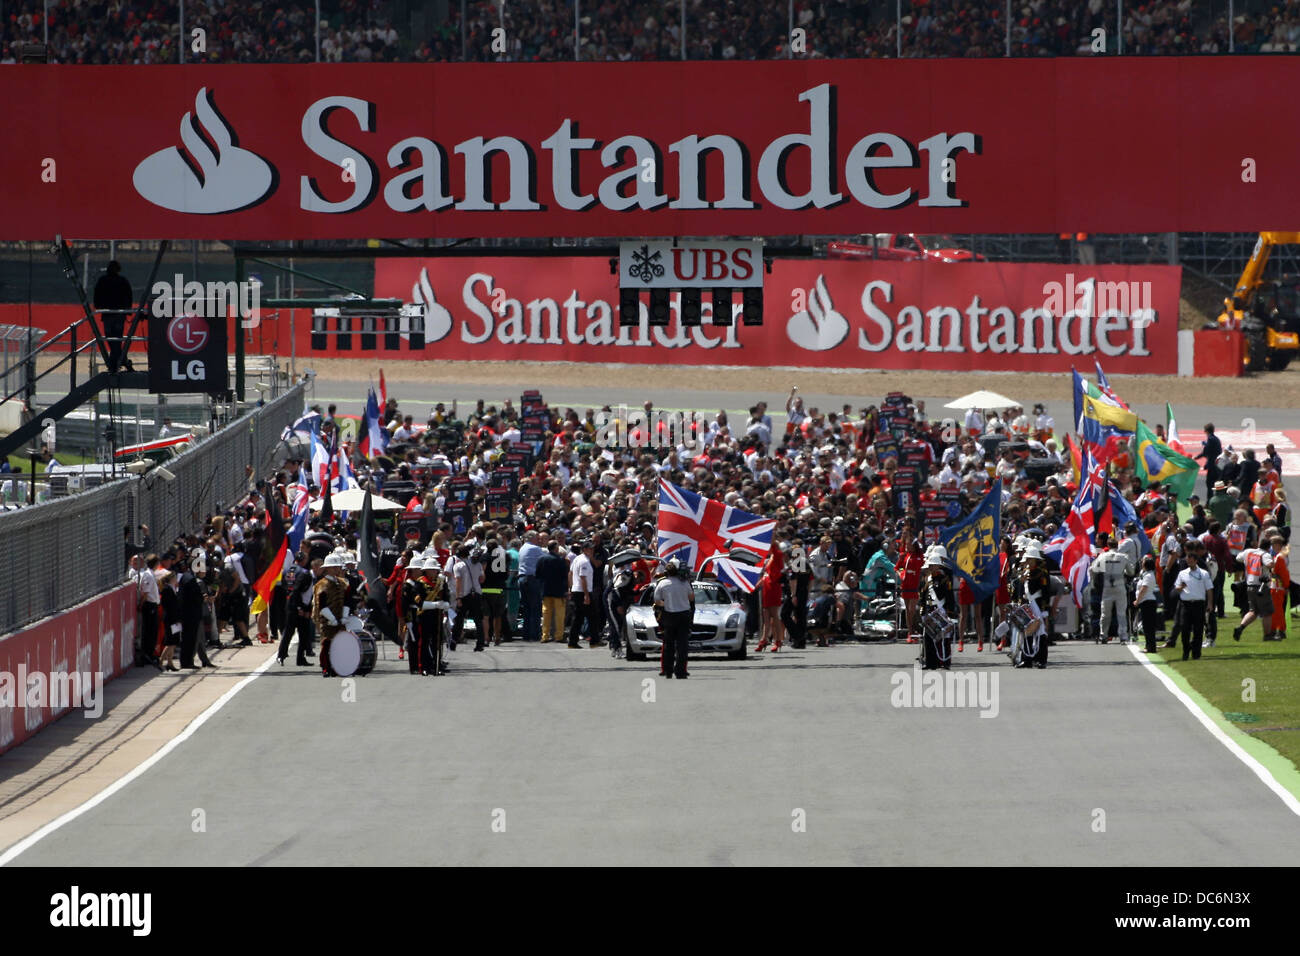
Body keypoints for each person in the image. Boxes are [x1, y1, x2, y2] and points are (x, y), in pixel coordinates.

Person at [653, 558, 694, 679]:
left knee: (668, 645)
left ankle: (668, 670)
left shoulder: (662, 583)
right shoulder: (685, 583)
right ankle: (680, 671)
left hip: (669, 616)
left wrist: (665, 604)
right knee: (682, 645)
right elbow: (691, 598)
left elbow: (657, 600)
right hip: (683, 616)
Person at [1089, 532, 1133, 643]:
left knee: (1105, 613)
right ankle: (1123, 636)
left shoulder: (1103, 556)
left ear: (1108, 546)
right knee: (1121, 613)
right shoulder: (1123, 557)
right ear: (1117, 546)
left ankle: (1103, 635)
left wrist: (1094, 582)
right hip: (1120, 587)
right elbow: (1131, 571)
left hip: (1107, 587)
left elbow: (1092, 569)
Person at [313, 551, 349, 677]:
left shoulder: (342, 583)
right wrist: (331, 618)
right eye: (334, 567)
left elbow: (347, 600)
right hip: (327, 619)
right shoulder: (322, 585)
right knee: (327, 643)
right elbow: (321, 604)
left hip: (341, 618)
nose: (337, 569)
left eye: (338, 567)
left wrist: (344, 616)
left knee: (339, 645)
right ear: (327, 568)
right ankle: (326, 667)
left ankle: (337, 666)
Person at [93, 260, 133, 372]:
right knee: (117, 339)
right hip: (119, 314)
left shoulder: (103, 280)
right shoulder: (122, 281)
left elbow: (97, 295)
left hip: (107, 314)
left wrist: (98, 307)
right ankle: (121, 360)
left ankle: (114, 361)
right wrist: (127, 310)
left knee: (111, 339)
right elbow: (128, 296)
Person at [919, 546, 955, 670]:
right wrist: (922, 611)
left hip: (941, 611)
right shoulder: (927, 580)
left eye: (933, 565)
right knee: (928, 638)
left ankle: (945, 662)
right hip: (930, 611)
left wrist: (950, 613)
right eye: (930, 566)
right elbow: (923, 597)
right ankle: (930, 662)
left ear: (938, 566)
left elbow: (949, 598)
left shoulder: (944, 580)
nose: (930, 568)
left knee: (944, 638)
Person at [1173, 549, 1213, 661]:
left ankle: (1196, 653)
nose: (1188, 563)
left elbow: (1209, 589)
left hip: (1199, 604)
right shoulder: (1182, 573)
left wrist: (1210, 603)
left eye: (1191, 561)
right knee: (1185, 629)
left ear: (1195, 561)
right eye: (1187, 561)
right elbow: (1177, 587)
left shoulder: (1203, 573)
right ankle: (1186, 650)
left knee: (1198, 630)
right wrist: (1181, 587)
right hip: (1185, 604)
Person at [1232, 541, 1274, 642]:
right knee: (1267, 613)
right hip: (1261, 586)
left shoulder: (1248, 552)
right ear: (1268, 548)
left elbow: (1238, 557)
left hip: (1249, 585)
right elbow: (1270, 564)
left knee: (1253, 611)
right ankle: (1267, 636)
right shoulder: (1265, 554)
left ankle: (1240, 628)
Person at [535, 541, 570, 644]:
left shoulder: (541, 559)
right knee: (559, 614)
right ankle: (559, 636)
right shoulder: (560, 560)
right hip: (558, 591)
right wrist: (566, 590)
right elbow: (564, 576)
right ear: (555, 548)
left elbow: (537, 574)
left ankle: (545, 636)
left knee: (546, 614)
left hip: (546, 589)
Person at [516, 530, 545, 641]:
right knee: (535, 608)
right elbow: (545, 559)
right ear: (532, 538)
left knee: (527, 608)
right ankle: (534, 634)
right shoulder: (535, 549)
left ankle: (526, 633)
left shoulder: (523, 547)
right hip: (532, 579)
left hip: (522, 579)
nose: (539, 540)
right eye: (538, 538)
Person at [1133, 553, 1161, 653]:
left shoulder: (1149, 576)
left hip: (1148, 602)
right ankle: (1148, 646)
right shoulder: (1145, 574)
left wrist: (1137, 600)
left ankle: (1151, 647)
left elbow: (1144, 589)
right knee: (1146, 626)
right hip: (1145, 602)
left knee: (1149, 626)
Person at [1195, 424, 1222, 501]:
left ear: (1206, 431)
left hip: (1213, 466)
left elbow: (1206, 452)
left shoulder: (1210, 439)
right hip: (1217, 465)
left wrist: (1196, 457)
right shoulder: (1216, 439)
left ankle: (1210, 502)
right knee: (1216, 484)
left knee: (1210, 484)